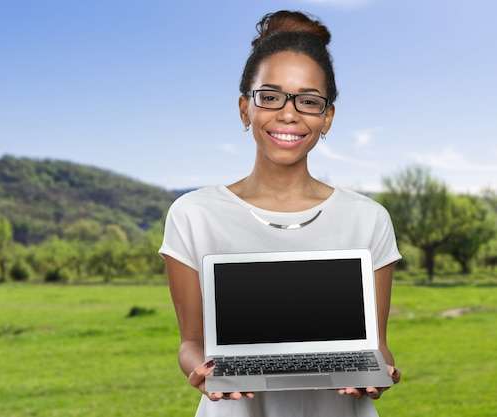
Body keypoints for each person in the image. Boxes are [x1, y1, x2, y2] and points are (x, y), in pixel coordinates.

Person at [159, 10, 402, 417]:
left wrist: (379, 371)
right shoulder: (192, 215)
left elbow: (375, 345)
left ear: (327, 117)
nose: (288, 114)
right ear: (244, 108)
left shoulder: (368, 218)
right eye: (270, 96)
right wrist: (200, 371)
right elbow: (191, 343)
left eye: (308, 101)